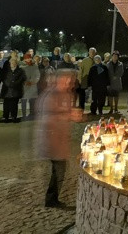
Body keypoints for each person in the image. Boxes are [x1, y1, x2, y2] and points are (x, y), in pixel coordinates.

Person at [35, 71, 75, 208]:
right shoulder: (50, 95)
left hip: (59, 139)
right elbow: (48, 118)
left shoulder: (65, 94)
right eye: (65, 80)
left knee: (59, 169)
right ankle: (51, 199)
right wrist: (67, 116)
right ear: (58, 80)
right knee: (59, 169)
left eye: (69, 80)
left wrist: (70, 115)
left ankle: (52, 198)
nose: (68, 83)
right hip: (51, 140)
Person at [1, 56, 26, 123]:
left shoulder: (20, 71)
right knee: (6, 105)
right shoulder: (6, 71)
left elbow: (22, 78)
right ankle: (5, 117)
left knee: (14, 105)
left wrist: (15, 84)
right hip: (7, 90)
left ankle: (14, 117)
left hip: (16, 90)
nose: (13, 63)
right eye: (12, 62)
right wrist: (8, 84)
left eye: (14, 62)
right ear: (10, 63)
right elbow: (3, 78)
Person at [20, 52, 40, 119]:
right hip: (24, 86)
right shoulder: (21, 66)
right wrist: (24, 82)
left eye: (29, 58)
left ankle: (32, 114)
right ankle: (24, 115)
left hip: (32, 85)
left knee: (32, 100)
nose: (28, 59)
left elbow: (37, 75)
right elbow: (20, 76)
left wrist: (33, 81)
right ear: (24, 59)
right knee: (24, 101)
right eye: (27, 58)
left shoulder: (35, 66)